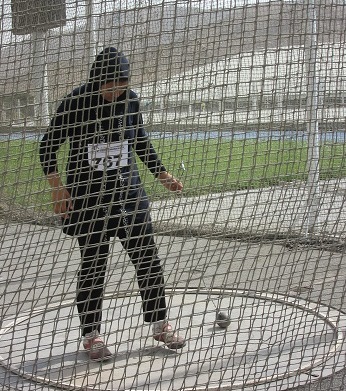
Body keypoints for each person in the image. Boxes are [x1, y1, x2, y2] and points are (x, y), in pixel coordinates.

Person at [39, 47, 185, 360]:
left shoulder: (131, 99)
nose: (113, 90)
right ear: (95, 81)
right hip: (89, 202)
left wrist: (162, 174)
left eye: (119, 83)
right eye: (107, 84)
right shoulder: (75, 103)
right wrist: (57, 189)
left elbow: (141, 141)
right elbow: (47, 146)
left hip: (129, 198)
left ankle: (160, 324)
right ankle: (92, 335)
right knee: (93, 267)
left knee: (148, 261)